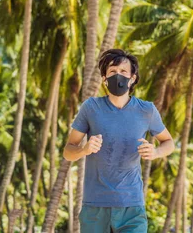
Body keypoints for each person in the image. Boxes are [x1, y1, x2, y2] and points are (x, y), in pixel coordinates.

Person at [63, 49, 175, 233]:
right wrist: (84, 149)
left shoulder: (146, 110)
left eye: (123, 72)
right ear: (104, 79)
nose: (118, 76)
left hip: (131, 206)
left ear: (133, 78)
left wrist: (156, 153)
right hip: (95, 206)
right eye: (112, 71)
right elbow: (68, 151)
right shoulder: (91, 107)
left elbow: (168, 142)